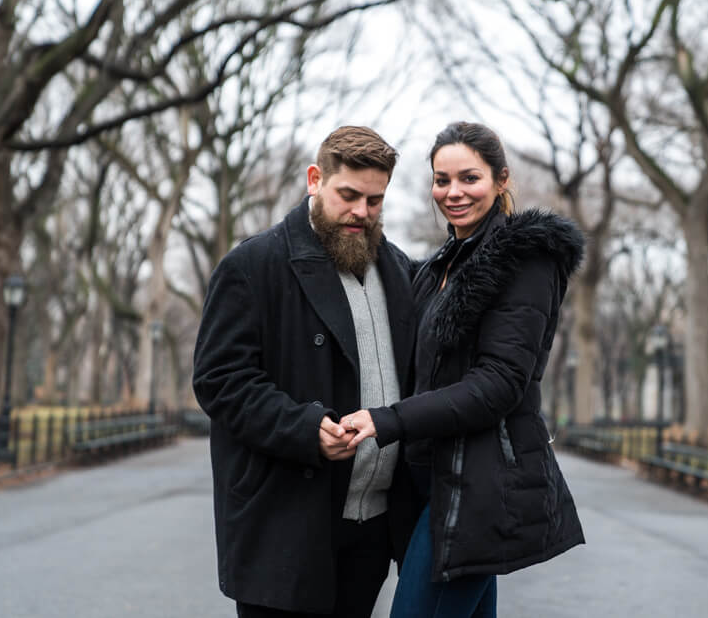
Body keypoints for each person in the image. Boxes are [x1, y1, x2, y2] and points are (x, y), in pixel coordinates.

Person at [342, 121, 586, 617]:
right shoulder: (439, 267)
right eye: (441, 179)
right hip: (432, 481)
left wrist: (388, 419)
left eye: (469, 178)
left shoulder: (525, 258)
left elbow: (499, 384)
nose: (453, 193)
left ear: (501, 180)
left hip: (479, 486)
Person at [192, 126, 418, 617]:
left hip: (373, 529)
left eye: (375, 200)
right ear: (315, 180)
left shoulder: (401, 270)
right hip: (284, 525)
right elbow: (219, 380)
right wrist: (305, 428)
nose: (361, 211)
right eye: (349, 195)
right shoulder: (252, 265)